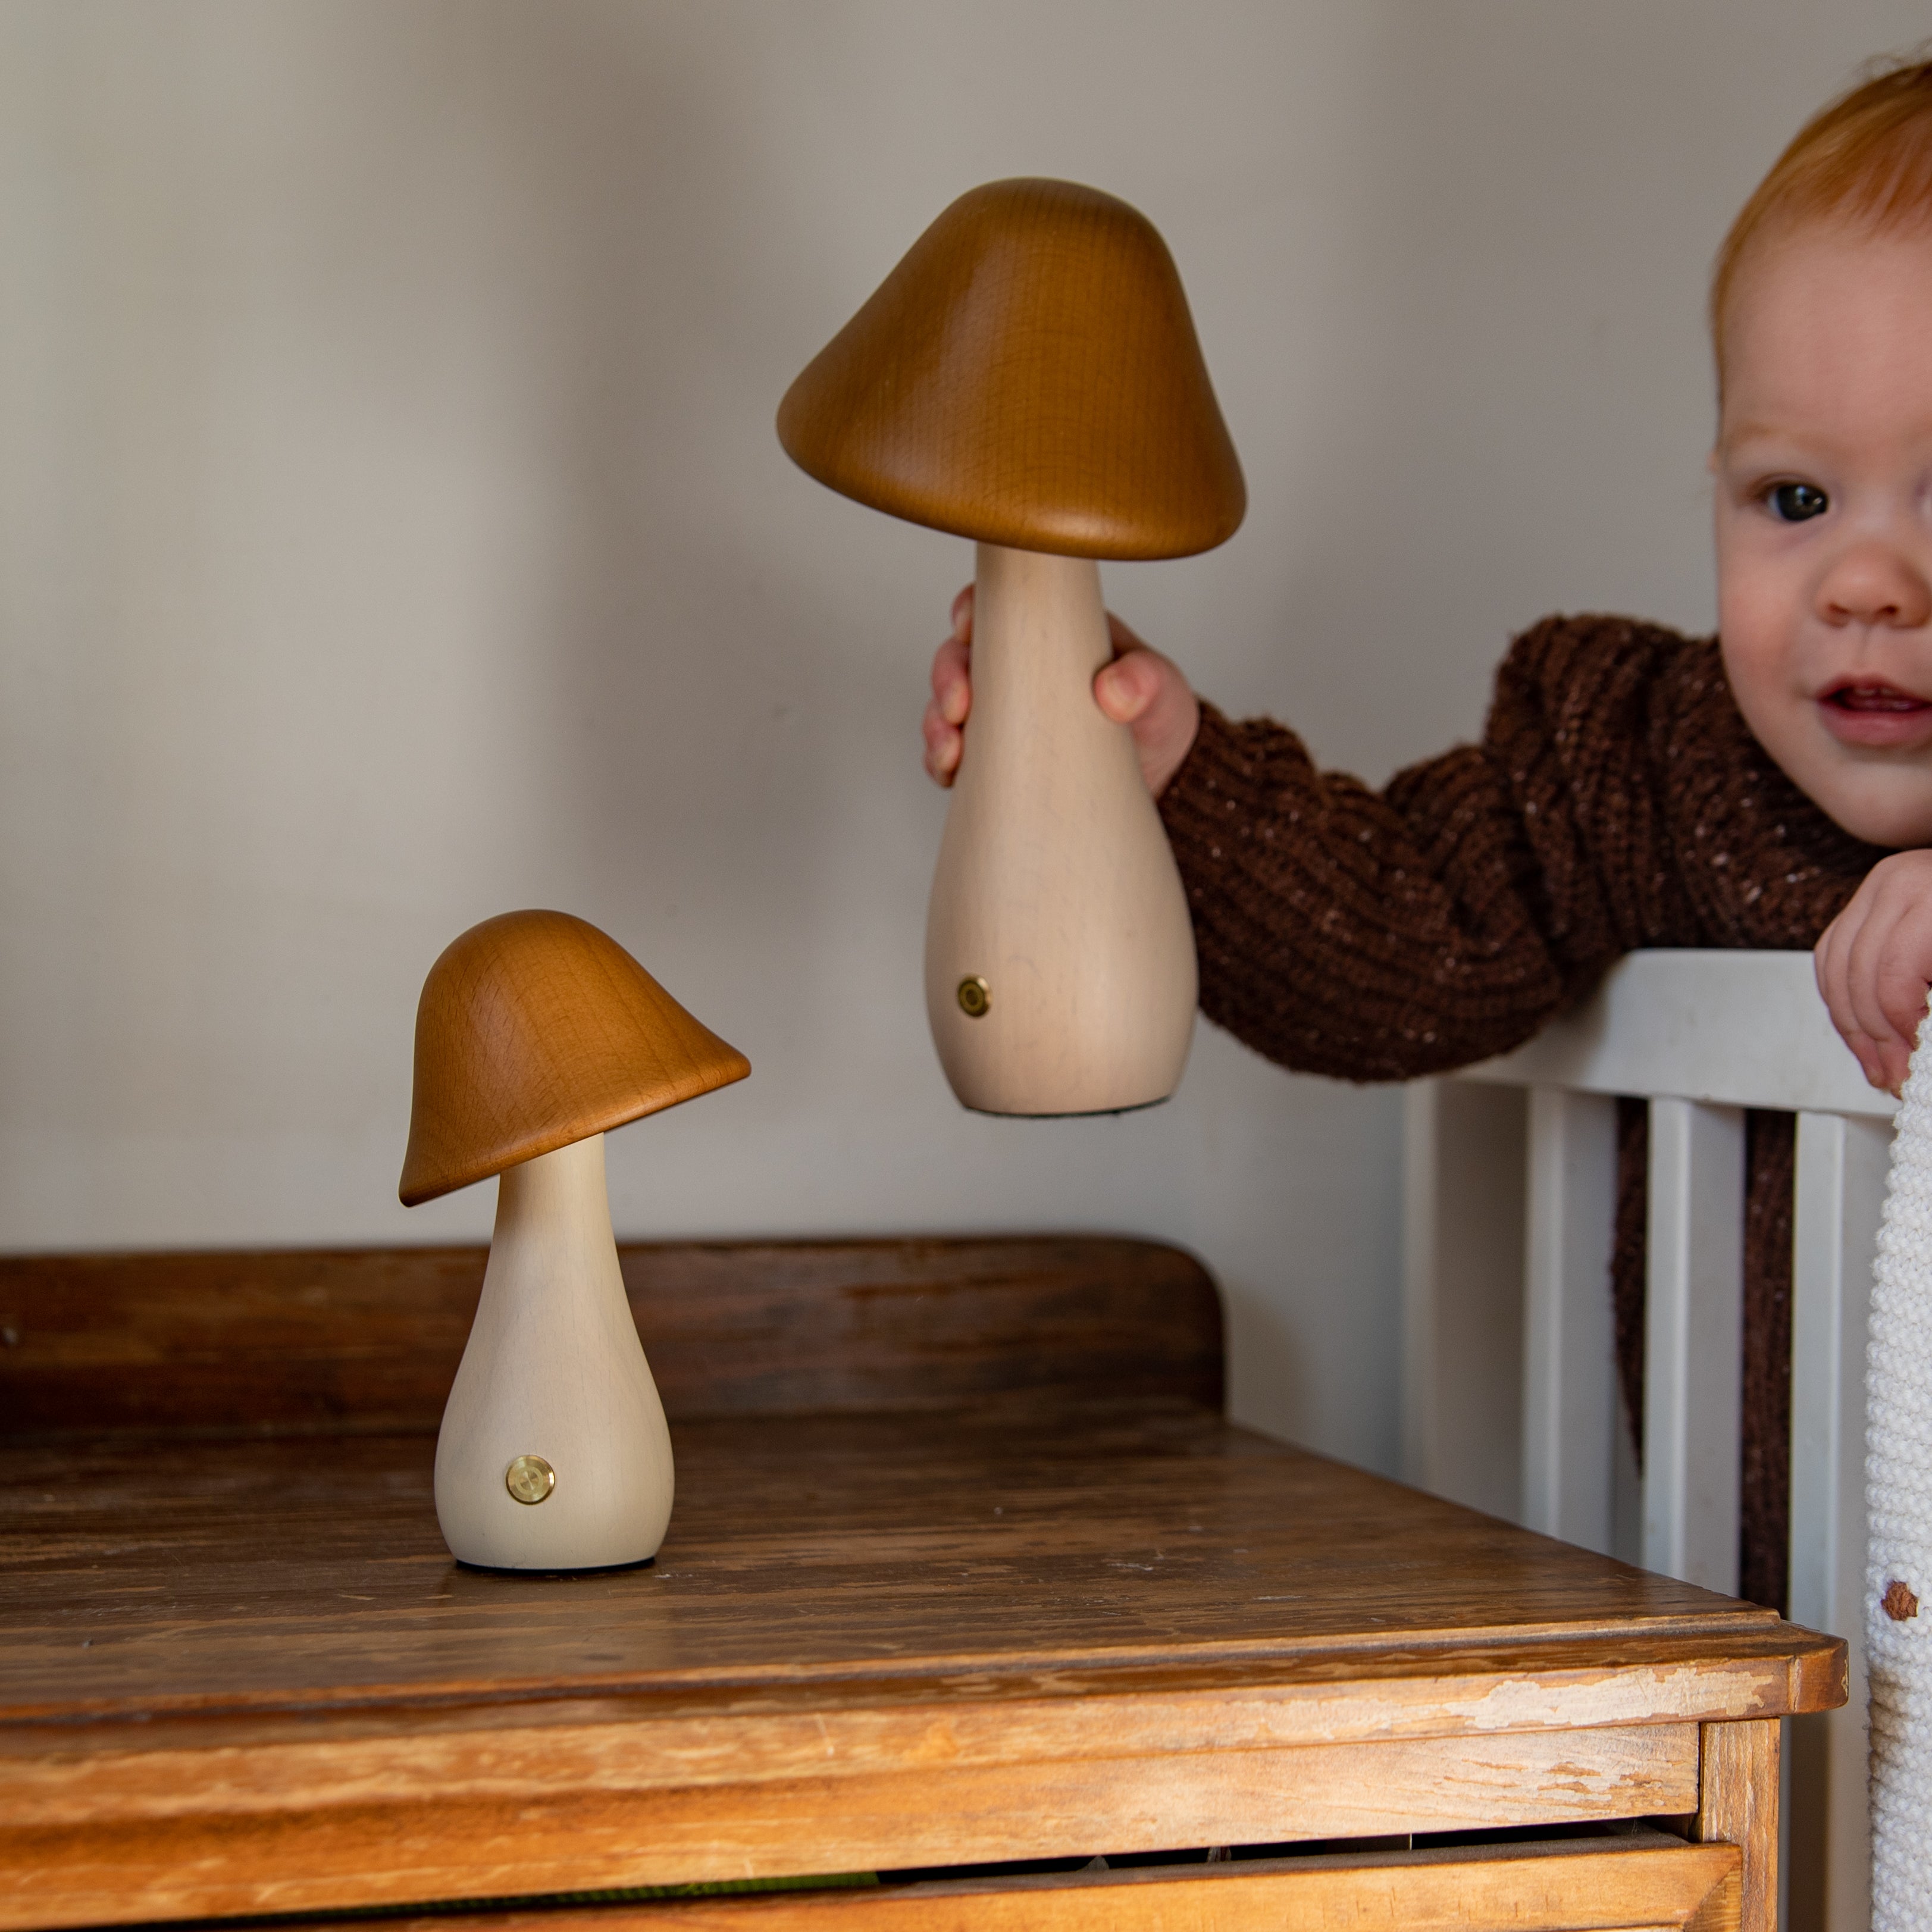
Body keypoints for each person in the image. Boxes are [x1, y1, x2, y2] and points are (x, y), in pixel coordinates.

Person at [920, 57, 1932, 1611]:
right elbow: (1402, 941)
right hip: (1794, 1682)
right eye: (1794, 497)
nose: (1865, 582)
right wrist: (1160, 765)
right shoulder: (1644, 761)